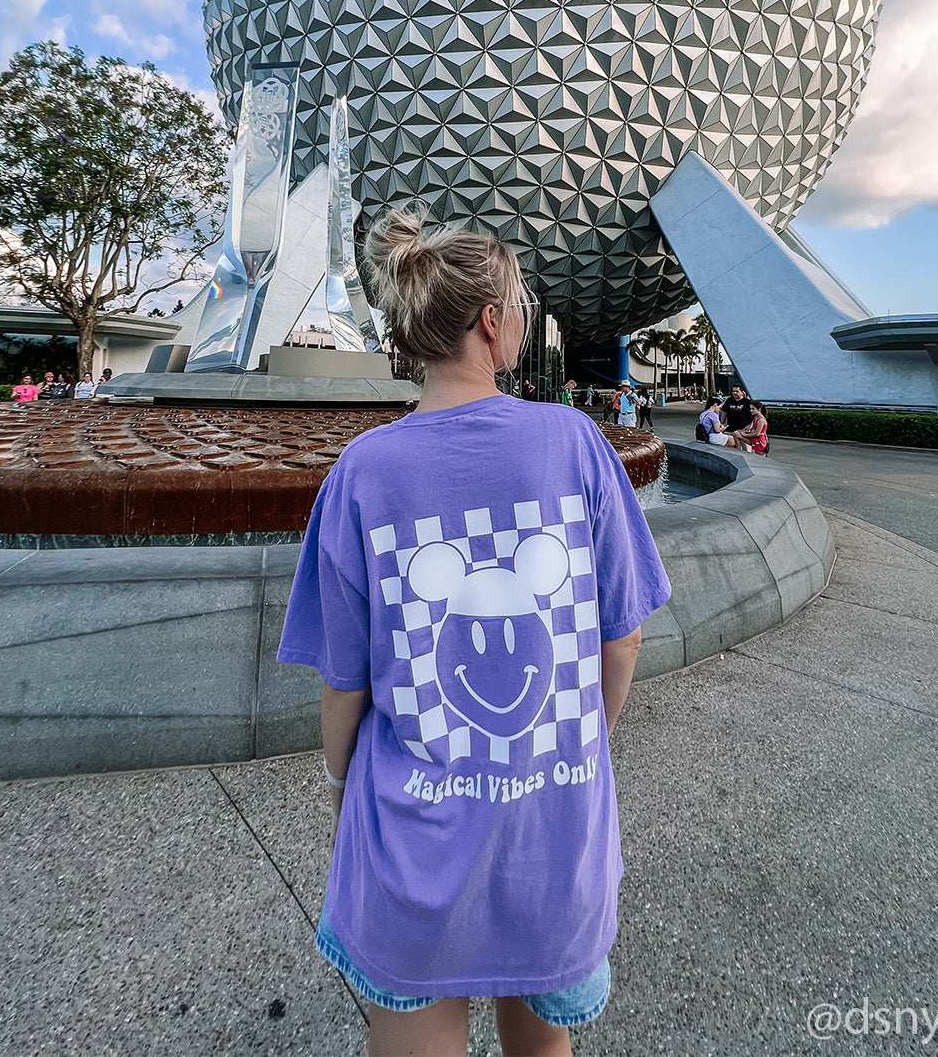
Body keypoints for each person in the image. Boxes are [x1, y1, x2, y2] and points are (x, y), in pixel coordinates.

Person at [278, 209, 671, 1057]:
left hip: (410, 846)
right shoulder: (575, 442)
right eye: (520, 307)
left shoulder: (361, 471)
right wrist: (582, 748)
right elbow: (623, 636)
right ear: (492, 322)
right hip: (553, 836)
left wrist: (346, 784)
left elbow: (345, 684)